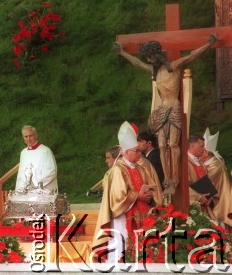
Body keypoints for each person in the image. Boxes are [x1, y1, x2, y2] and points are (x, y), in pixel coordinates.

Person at [114, 34, 217, 195]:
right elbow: (137, 63)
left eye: (150, 57)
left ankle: (174, 179)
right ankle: (167, 179)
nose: (149, 60)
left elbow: (191, 56)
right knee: (162, 145)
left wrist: (208, 44)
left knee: (173, 145)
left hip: (174, 108)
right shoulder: (154, 71)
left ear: (157, 54)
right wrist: (123, 53)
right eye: (147, 58)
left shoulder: (174, 66)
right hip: (161, 110)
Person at [92, 122, 162, 263]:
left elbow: (153, 188)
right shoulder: (118, 169)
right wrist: (138, 195)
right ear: (126, 152)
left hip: (142, 214)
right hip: (123, 217)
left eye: (139, 151)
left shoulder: (141, 168)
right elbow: (118, 197)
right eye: (136, 151)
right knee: (122, 246)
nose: (139, 153)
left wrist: (149, 196)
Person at [188, 132, 232, 226]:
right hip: (191, 207)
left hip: (205, 207)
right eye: (201, 146)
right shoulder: (184, 163)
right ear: (192, 146)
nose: (204, 149)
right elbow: (182, 186)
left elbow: (207, 183)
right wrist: (199, 197)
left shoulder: (201, 163)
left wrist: (210, 198)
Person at [14, 125, 58, 193]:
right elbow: (21, 174)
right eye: (26, 136)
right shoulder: (23, 152)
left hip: (41, 191)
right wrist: (19, 189)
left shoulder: (45, 151)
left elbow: (51, 171)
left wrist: (34, 185)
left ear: (36, 135)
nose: (28, 139)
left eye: (31, 136)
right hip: (25, 191)